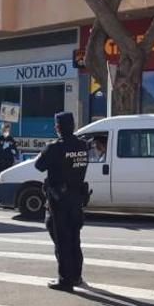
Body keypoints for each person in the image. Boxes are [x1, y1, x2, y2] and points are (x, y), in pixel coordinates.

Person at [34, 112, 88, 293]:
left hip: (59, 200)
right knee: (74, 239)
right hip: (77, 199)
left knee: (61, 240)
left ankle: (65, 280)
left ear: (58, 127)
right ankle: (76, 276)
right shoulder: (82, 145)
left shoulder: (55, 148)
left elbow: (39, 165)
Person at [0, 123, 19, 210]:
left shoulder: (11, 139)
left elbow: (15, 150)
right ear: (2, 130)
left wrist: (14, 151)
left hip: (9, 165)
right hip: (0, 164)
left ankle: (7, 204)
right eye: (5, 130)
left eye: (8, 130)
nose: (6, 131)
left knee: (8, 183)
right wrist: (2, 148)